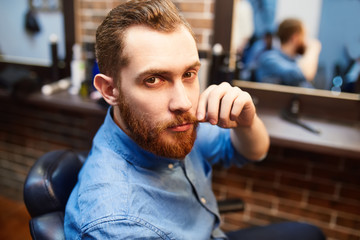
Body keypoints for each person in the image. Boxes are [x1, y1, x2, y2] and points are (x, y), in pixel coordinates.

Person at [64, 1, 325, 239]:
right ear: (110, 91)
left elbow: (252, 151)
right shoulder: (118, 224)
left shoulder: (169, 126)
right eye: (153, 80)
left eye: (189, 73)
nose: (184, 103)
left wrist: (247, 123)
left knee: (308, 233)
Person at [256, 18, 322, 87]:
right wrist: (313, 49)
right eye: (304, 36)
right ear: (295, 38)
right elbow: (301, 74)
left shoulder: (297, 60)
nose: (306, 41)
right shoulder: (269, 58)